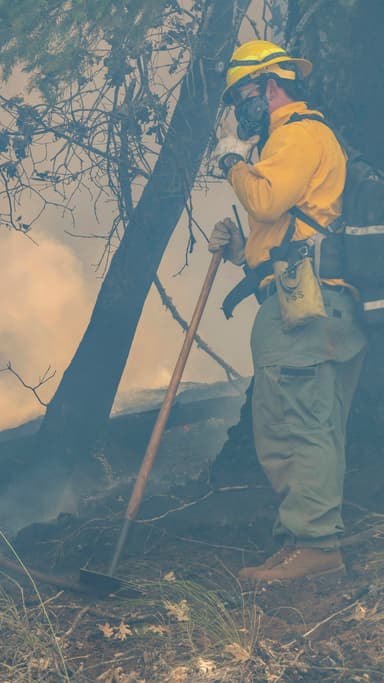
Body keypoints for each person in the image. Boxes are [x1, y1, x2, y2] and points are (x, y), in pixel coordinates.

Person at [209, 40, 366, 582]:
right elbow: (285, 231)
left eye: (243, 96)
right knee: (296, 426)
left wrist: (232, 160)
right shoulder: (295, 141)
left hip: (306, 307)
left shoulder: (298, 134)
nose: (238, 110)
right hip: (303, 296)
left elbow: (267, 201)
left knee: (302, 428)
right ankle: (301, 542)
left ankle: (317, 547)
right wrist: (238, 251)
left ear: (271, 87)